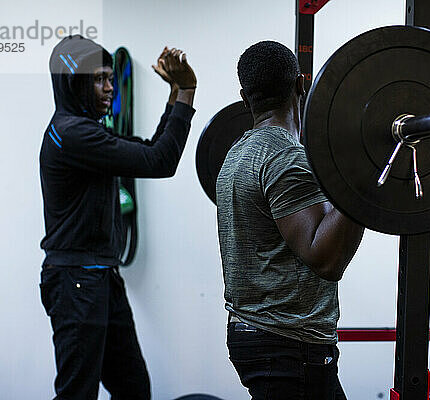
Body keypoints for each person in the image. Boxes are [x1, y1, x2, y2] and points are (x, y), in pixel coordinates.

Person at [39, 35, 196, 400]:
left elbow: (153, 151)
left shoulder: (85, 131)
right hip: (77, 282)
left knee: (133, 388)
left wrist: (175, 92)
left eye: (110, 78)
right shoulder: (72, 134)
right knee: (78, 393)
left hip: (100, 277)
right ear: (73, 82)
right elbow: (161, 161)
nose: (110, 88)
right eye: (99, 79)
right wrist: (187, 88)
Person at [216, 40, 364, 399]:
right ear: (301, 84)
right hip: (288, 343)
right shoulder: (285, 158)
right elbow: (325, 259)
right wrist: (361, 179)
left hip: (256, 333)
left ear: (244, 96)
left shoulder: (236, 154)